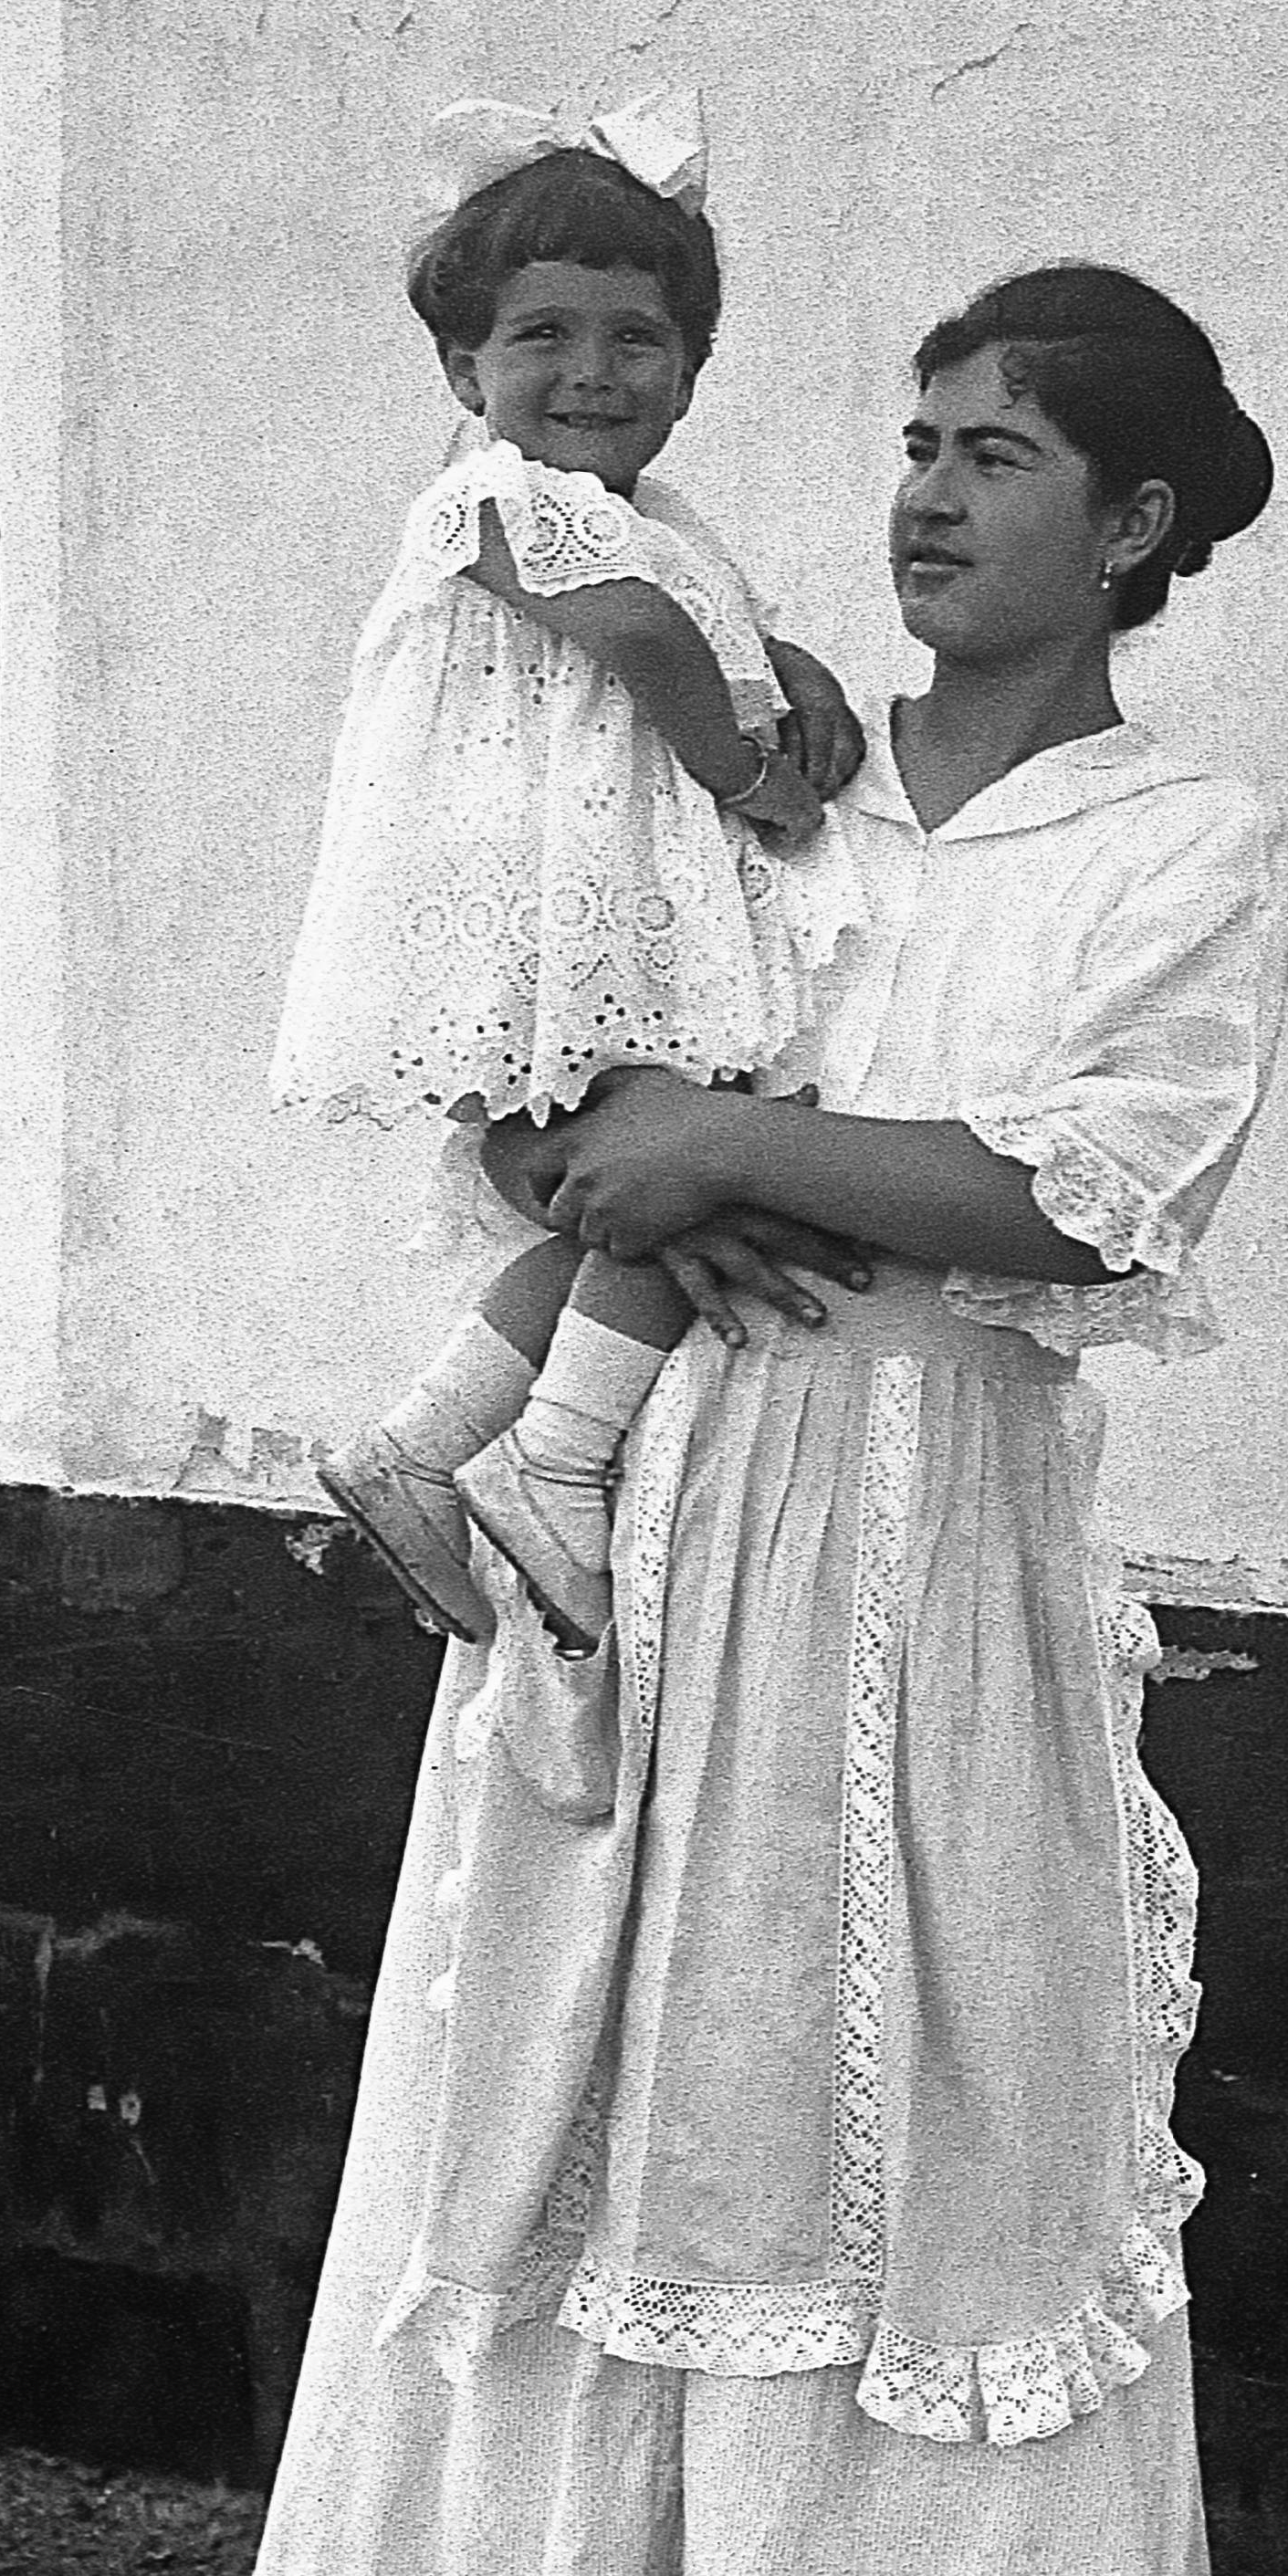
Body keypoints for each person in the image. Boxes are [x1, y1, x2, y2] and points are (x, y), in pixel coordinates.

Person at [245, 264, 1288, 2576]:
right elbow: (531, 1057)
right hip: (667, 1522)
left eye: (1006, 456)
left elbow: (1089, 1186)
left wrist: (726, 1137)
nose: (934, 492)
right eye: (918, 440)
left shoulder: (1180, 845)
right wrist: (631, 1154)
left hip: (940, 1547)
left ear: (1140, 525)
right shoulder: (771, 787)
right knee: (691, 2136)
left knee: (997, 2143)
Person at [273, 92, 870, 1656]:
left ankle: (418, 1449)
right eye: (543, 335)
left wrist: (794, 667)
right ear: (465, 371)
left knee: (651, 1194)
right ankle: (551, 1457)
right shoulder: (491, 499)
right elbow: (644, 638)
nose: (594, 372)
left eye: (639, 339)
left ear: (690, 374)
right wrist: (746, 769)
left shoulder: (652, 516)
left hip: (597, 910)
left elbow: (712, 623)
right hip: (543, 917)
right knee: (713, 1157)